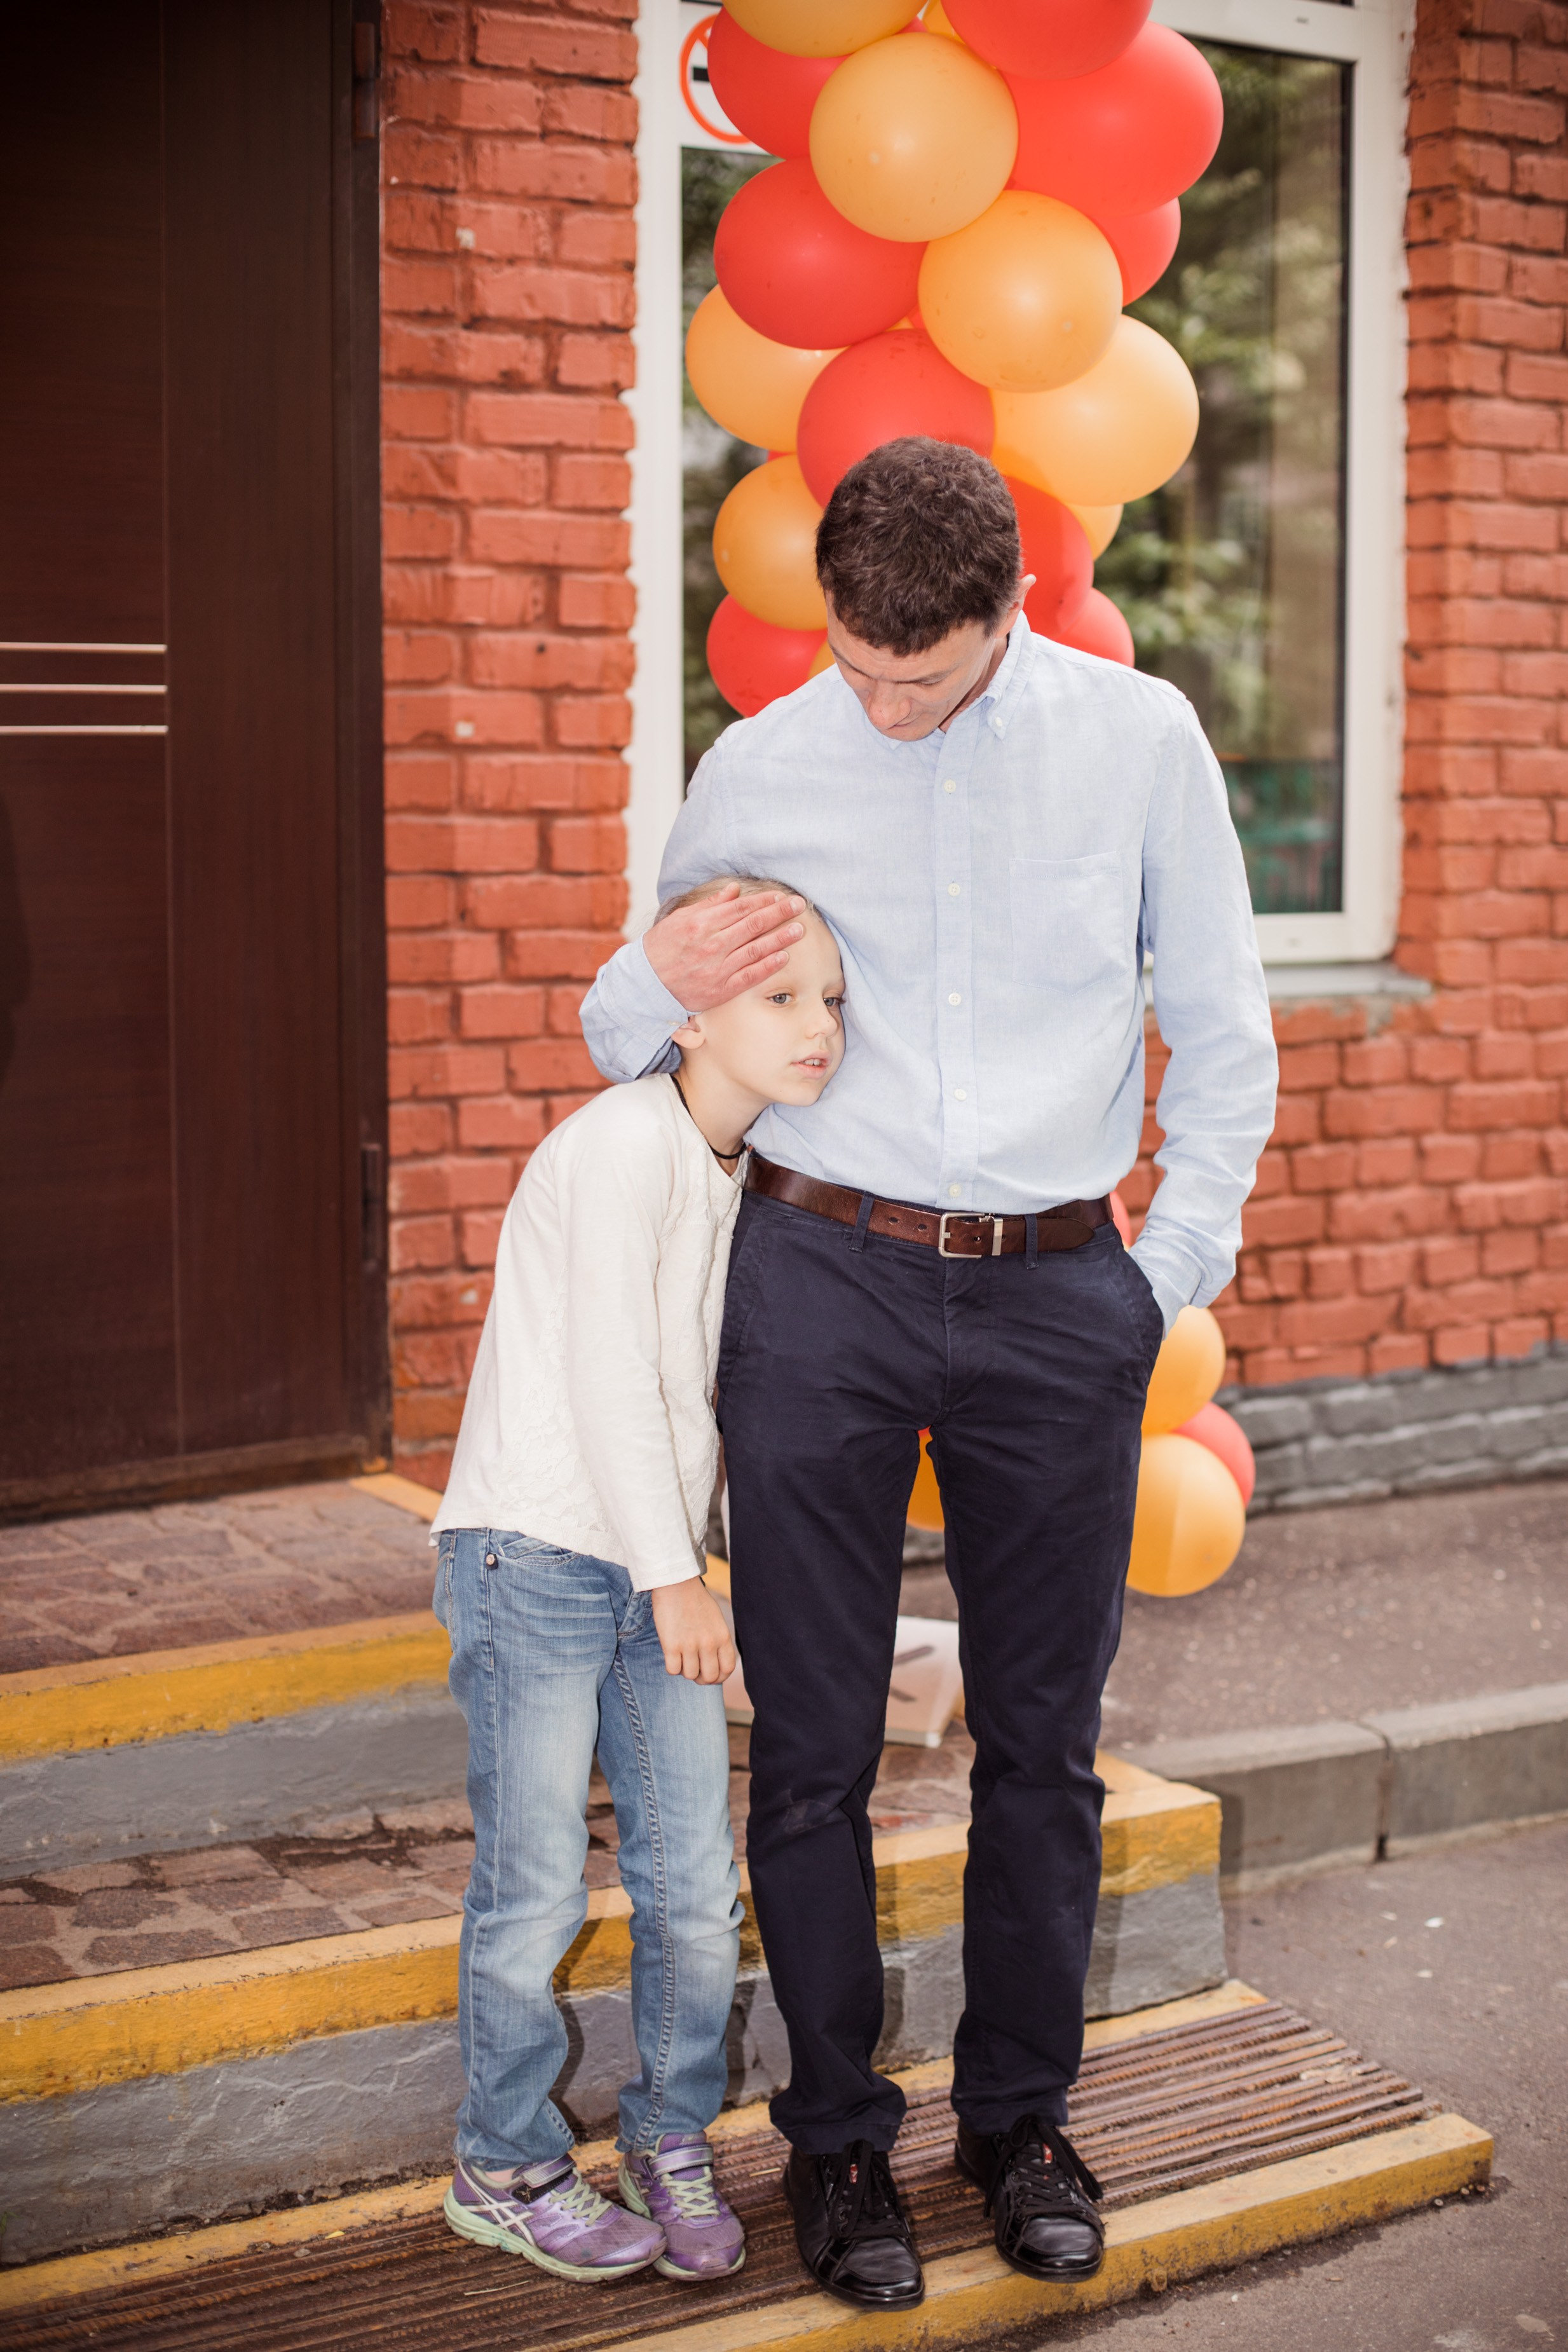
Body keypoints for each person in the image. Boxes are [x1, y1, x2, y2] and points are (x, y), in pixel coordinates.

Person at [580, 439, 1278, 2309]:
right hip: (816, 1277)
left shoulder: (1135, 744)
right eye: (860, 668)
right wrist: (650, 962)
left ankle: (1016, 2119)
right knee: (807, 1749)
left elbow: (1220, 1030)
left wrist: (1161, 1277)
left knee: (1041, 1743)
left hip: (1061, 1293)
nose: (883, 706)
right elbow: (625, 1030)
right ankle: (832, 2143)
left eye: (928, 674)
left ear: (1010, 615)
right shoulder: (763, 762)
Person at [430, 881, 846, 2284]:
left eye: (832, 999)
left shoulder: (739, 1169)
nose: (819, 1028)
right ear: (687, 1013)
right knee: (537, 1882)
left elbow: (699, 1398)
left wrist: (694, 1561)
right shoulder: (617, 1146)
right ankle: (502, 2158)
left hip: (655, 1563)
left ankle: (669, 2133)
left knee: (687, 1888)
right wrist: (682, 1579)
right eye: (781, 997)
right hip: (537, 1550)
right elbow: (612, 1372)